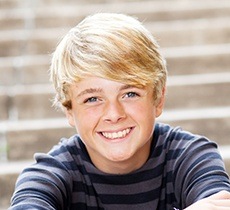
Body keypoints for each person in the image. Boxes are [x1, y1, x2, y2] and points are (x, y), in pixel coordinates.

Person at [9, 13, 230, 210]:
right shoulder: (48, 175)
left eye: (130, 94)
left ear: (158, 98)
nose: (114, 114)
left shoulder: (191, 156)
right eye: (93, 99)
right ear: (69, 109)